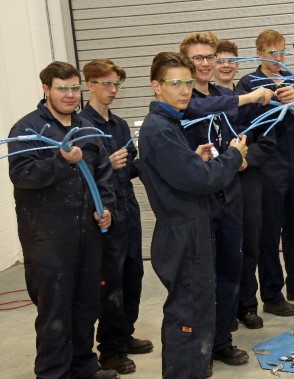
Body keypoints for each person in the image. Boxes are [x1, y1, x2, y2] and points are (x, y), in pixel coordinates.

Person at [138, 52, 248, 379]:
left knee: (197, 312)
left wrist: (194, 159)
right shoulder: (159, 128)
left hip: (190, 227)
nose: (185, 90)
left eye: (188, 82)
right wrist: (231, 156)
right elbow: (201, 181)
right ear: (156, 87)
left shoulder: (170, 124)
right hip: (181, 232)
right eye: (175, 83)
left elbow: (182, 173)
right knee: (187, 317)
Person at [8, 61, 118, 379]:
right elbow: (22, 174)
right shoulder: (27, 129)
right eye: (62, 88)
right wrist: (61, 161)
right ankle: (53, 372)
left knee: (86, 303)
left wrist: (106, 207)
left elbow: (103, 175)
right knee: (55, 309)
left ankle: (83, 365)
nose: (70, 95)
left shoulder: (86, 129)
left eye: (74, 88)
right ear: (46, 89)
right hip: (49, 238)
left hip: (88, 232)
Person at [236, 29, 294, 318]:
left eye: (282, 52)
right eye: (273, 53)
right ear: (259, 53)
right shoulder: (248, 83)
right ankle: (272, 294)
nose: (279, 58)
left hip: (293, 160)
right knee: (269, 231)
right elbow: (242, 122)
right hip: (266, 164)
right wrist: (267, 102)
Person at [80, 59, 152, 375]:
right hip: (103, 216)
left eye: (116, 84)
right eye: (106, 83)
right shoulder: (80, 126)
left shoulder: (120, 125)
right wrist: (107, 162)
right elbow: (77, 175)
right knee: (110, 283)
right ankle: (109, 351)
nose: (112, 90)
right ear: (90, 84)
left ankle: (124, 334)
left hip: (128, 210)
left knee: (133, 275)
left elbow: (132, 165)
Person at [210, 40, 278, 330]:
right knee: (218, 247)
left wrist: (247, 161)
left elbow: (268, 139)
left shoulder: (253, 98)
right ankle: (222, 309)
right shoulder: (201, 101)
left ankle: (247, 305)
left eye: (231, 60)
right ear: (209, 64)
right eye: (220, 59)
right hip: (213, 183)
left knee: (249, 243)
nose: (226, 65)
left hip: (246, 179)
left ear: (238, 64)